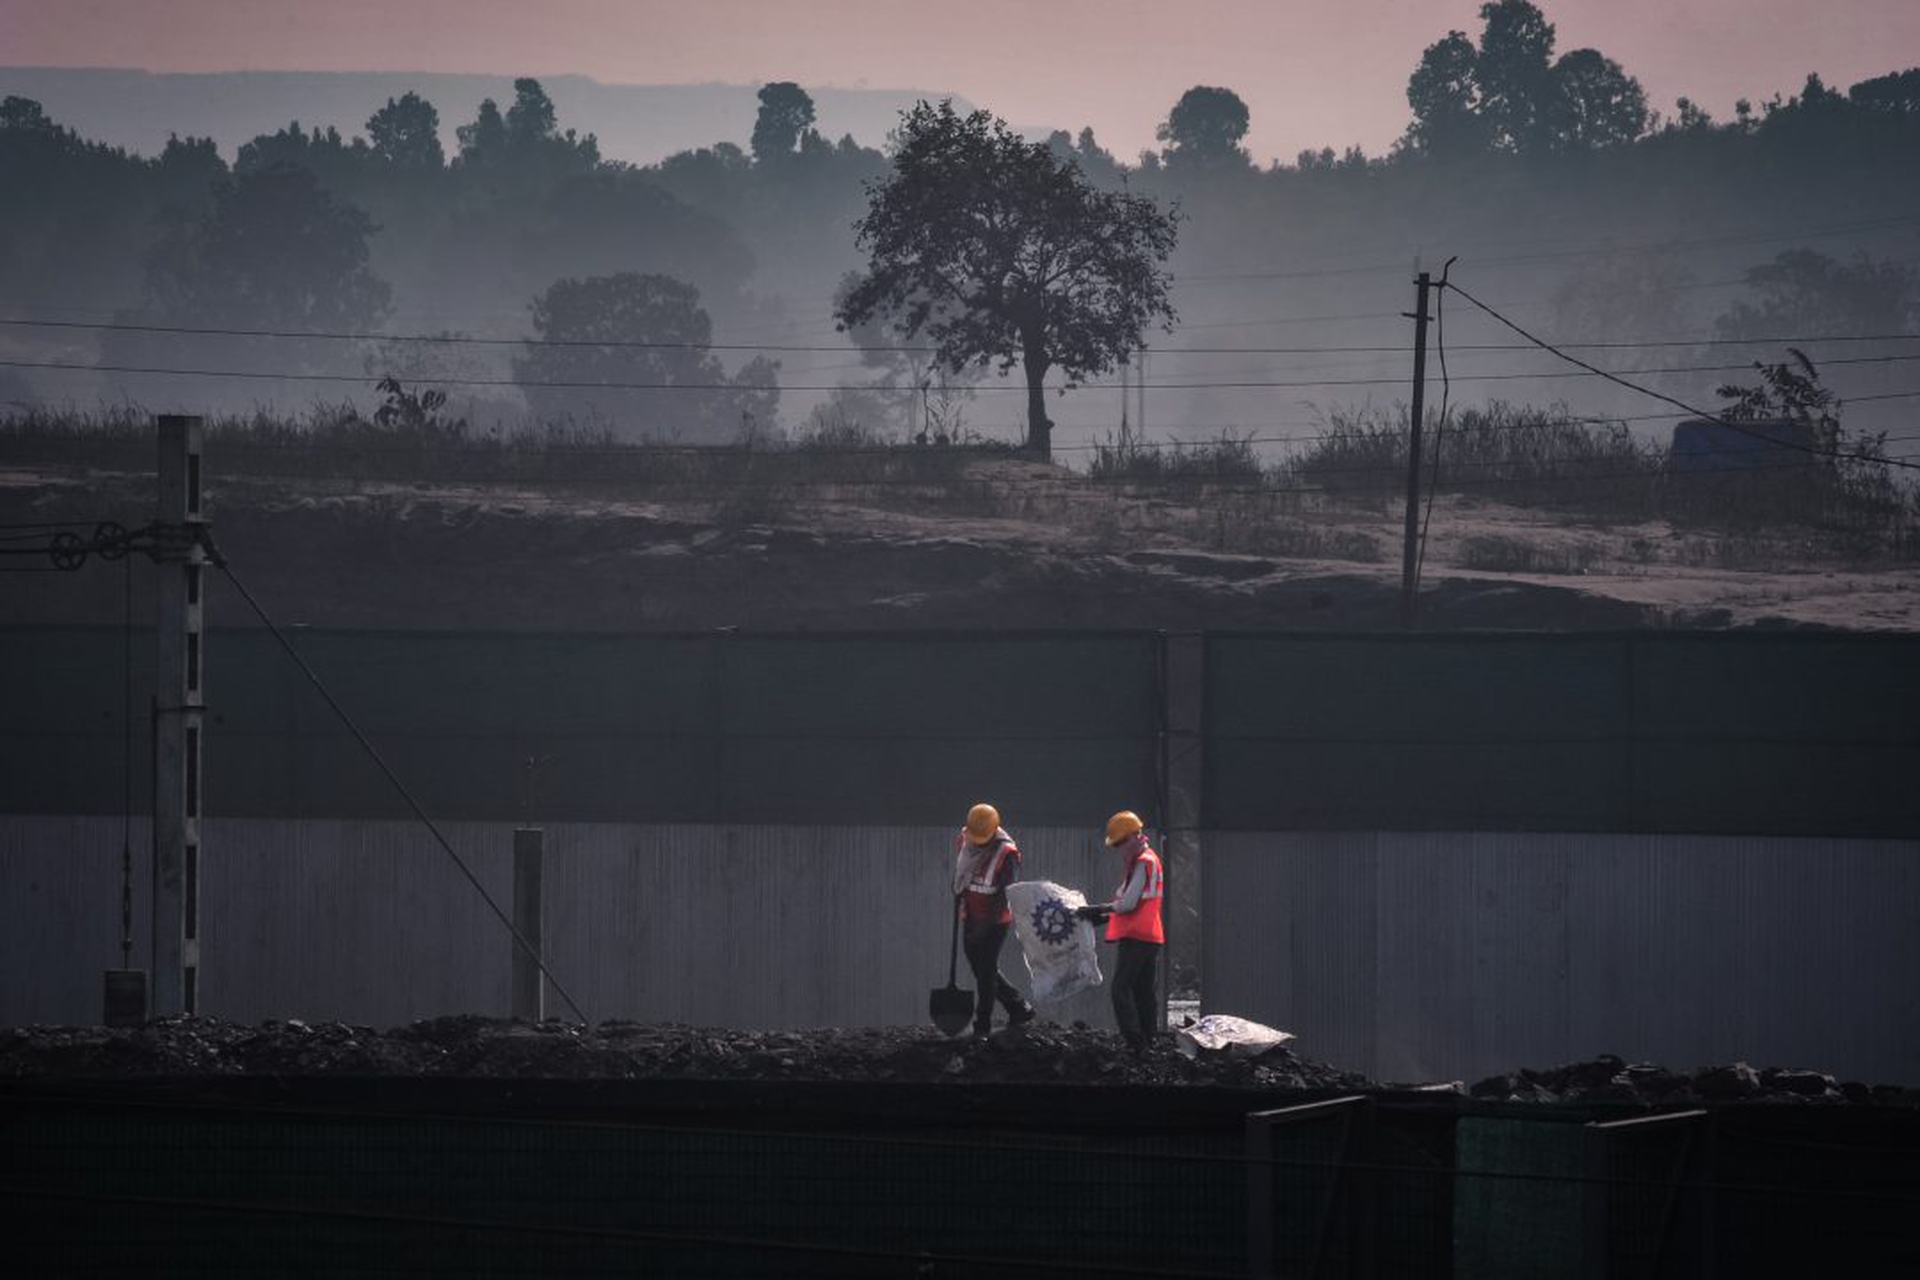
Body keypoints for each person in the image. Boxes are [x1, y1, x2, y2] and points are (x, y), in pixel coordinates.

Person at [1076, 810, 1165, 1055]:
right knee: (1143, 991)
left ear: (1134, 836)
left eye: (1120, 843)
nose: (1118, 849)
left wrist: (1097, 910)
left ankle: (1136, 1042)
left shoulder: (1143, 862)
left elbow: (1128, 904)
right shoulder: (1147, 860)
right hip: (1149, 936)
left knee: (1120, 988)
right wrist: (1103, 918)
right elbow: (1133, 904)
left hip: (1137, 937)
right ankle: (1149, 1039)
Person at [953, 802, 1036, 1040]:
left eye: (983, 839)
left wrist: (984, 926)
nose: (978, 843)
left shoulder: (1007, 854)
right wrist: (958, 890)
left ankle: (983, 1024)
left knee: (986, 969)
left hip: (995, 920)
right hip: (970, 914)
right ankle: (1018, 1007)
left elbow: (1004, 895)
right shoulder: (966, 839)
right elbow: (963, 872)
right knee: (980, 968)